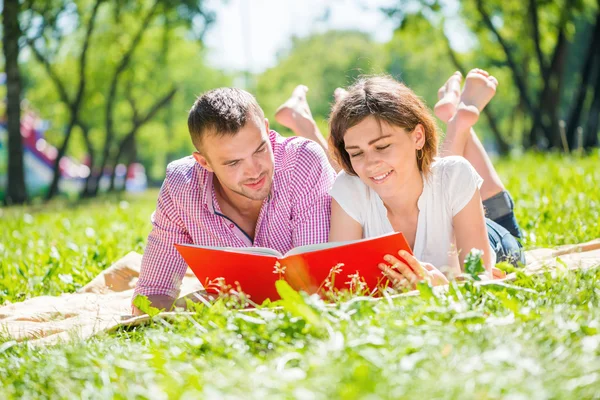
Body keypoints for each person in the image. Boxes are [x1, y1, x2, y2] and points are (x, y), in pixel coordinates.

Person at [132, 88, 335, 314]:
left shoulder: (302, 162)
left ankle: (303, 121)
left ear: (267, 130)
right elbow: (150, 295)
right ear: (204, 162)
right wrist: (189, 307)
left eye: (260, 149)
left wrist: (219, 302)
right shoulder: (182, 187)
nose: (254, 171)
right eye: (233, 163)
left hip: (345, 182)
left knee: (349, 174)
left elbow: (319, 287)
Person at [324, 71, 524, 290]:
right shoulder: (349, 187)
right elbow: (341, 286)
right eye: (356, 153)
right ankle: (457, 117)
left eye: (382, 146)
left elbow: (479, 281)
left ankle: (458, 121)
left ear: (418, 136)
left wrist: (439, 286)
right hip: (451, 206)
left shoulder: (456, 174)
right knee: (447, 177)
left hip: (494, 239)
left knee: (495, 206)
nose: (370, 163)